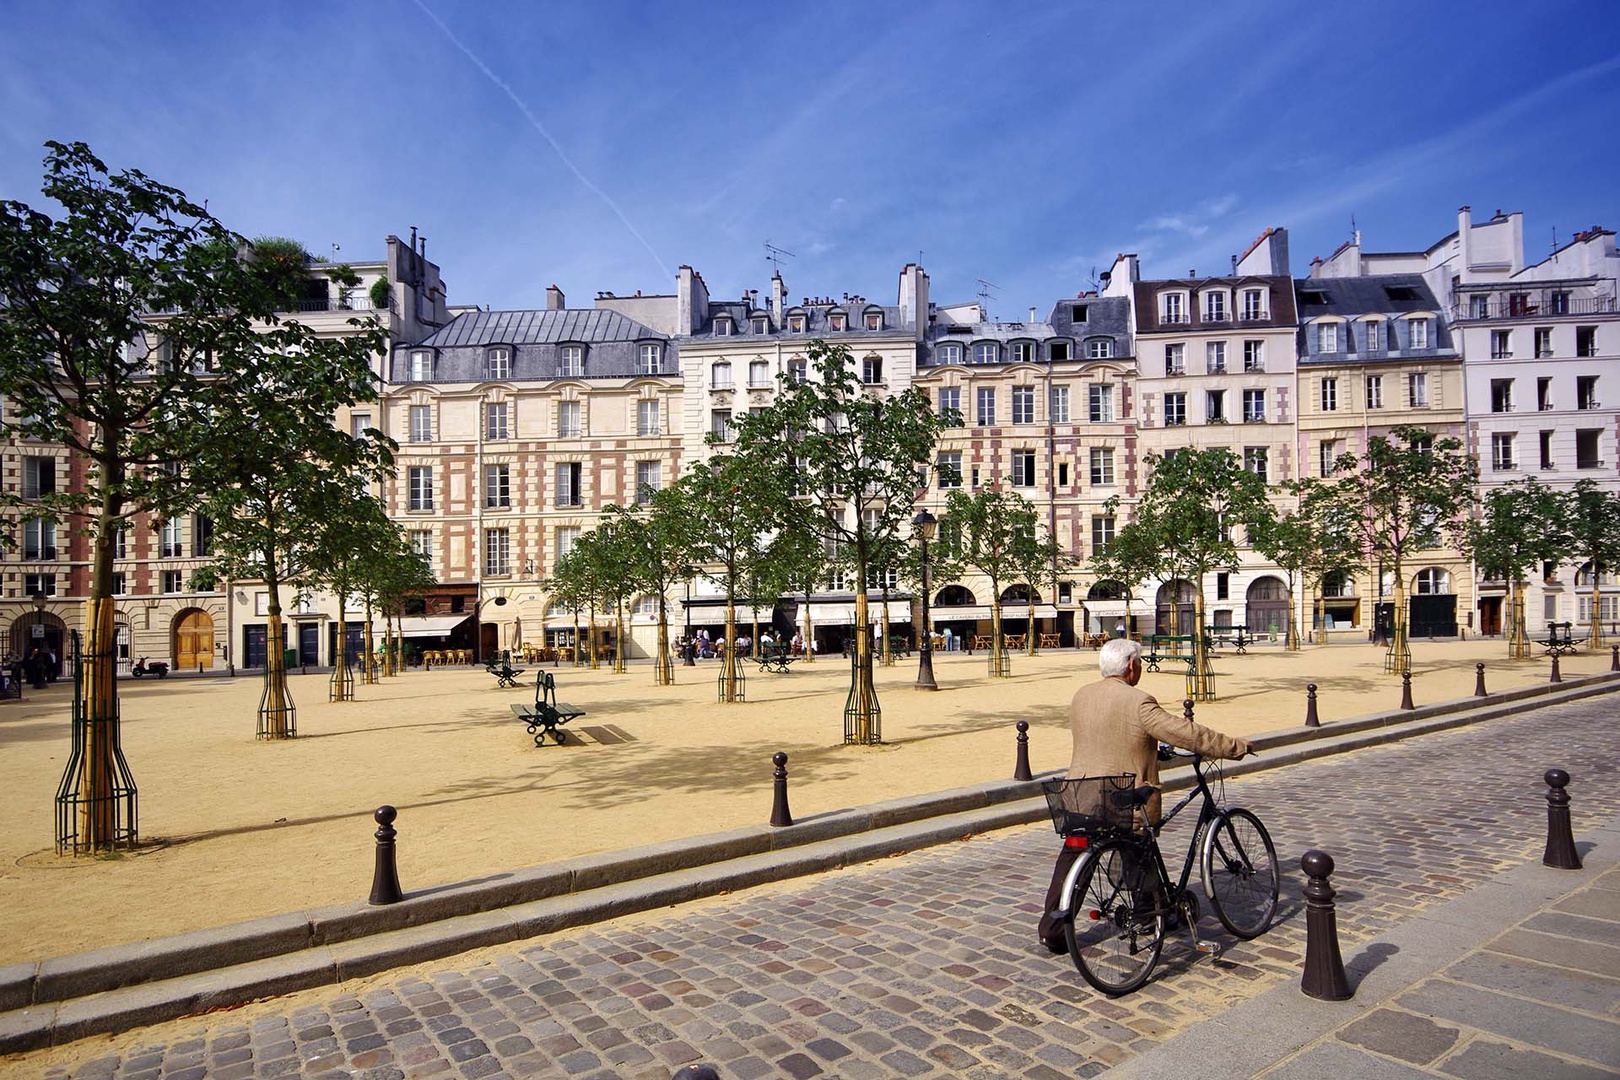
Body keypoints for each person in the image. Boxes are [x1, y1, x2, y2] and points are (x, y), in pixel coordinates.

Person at [1037, 637, 1255, 954]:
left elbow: (1111, 736)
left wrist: (1151, 750)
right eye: (1138, 663)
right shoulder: (1139, 702)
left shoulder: (1081, 696)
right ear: (1131, 666)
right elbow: (1186, 732)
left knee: (1072, 857)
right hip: (1122, 797)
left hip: (1081, 795)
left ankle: (1053, 931)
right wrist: (1234, 747)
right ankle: (1148, 914)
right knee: (1138, 844)